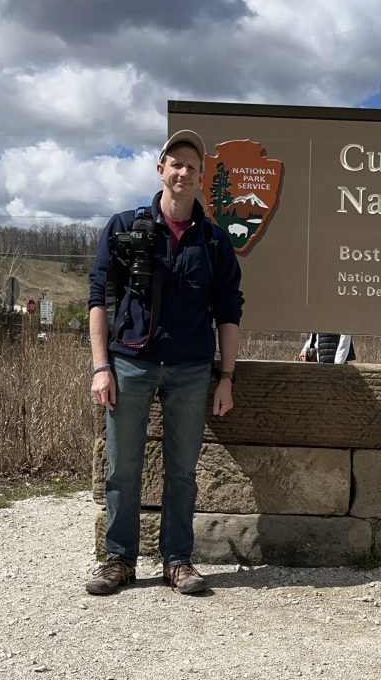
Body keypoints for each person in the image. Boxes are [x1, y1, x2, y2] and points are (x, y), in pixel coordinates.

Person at [85, 129, 243, 596]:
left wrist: (227, 377)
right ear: (161, 171)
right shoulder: (124, 228)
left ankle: (177, 561)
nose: (183, 172)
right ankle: (119, 560)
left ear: (201, 176)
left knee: (182, 470)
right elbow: (98, 298)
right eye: (175, 163)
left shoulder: (214, 242)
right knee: (122, 466)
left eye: (192, 166)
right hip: (129, 364)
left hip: (192, 369)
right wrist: (100, 367)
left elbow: (230, 311)